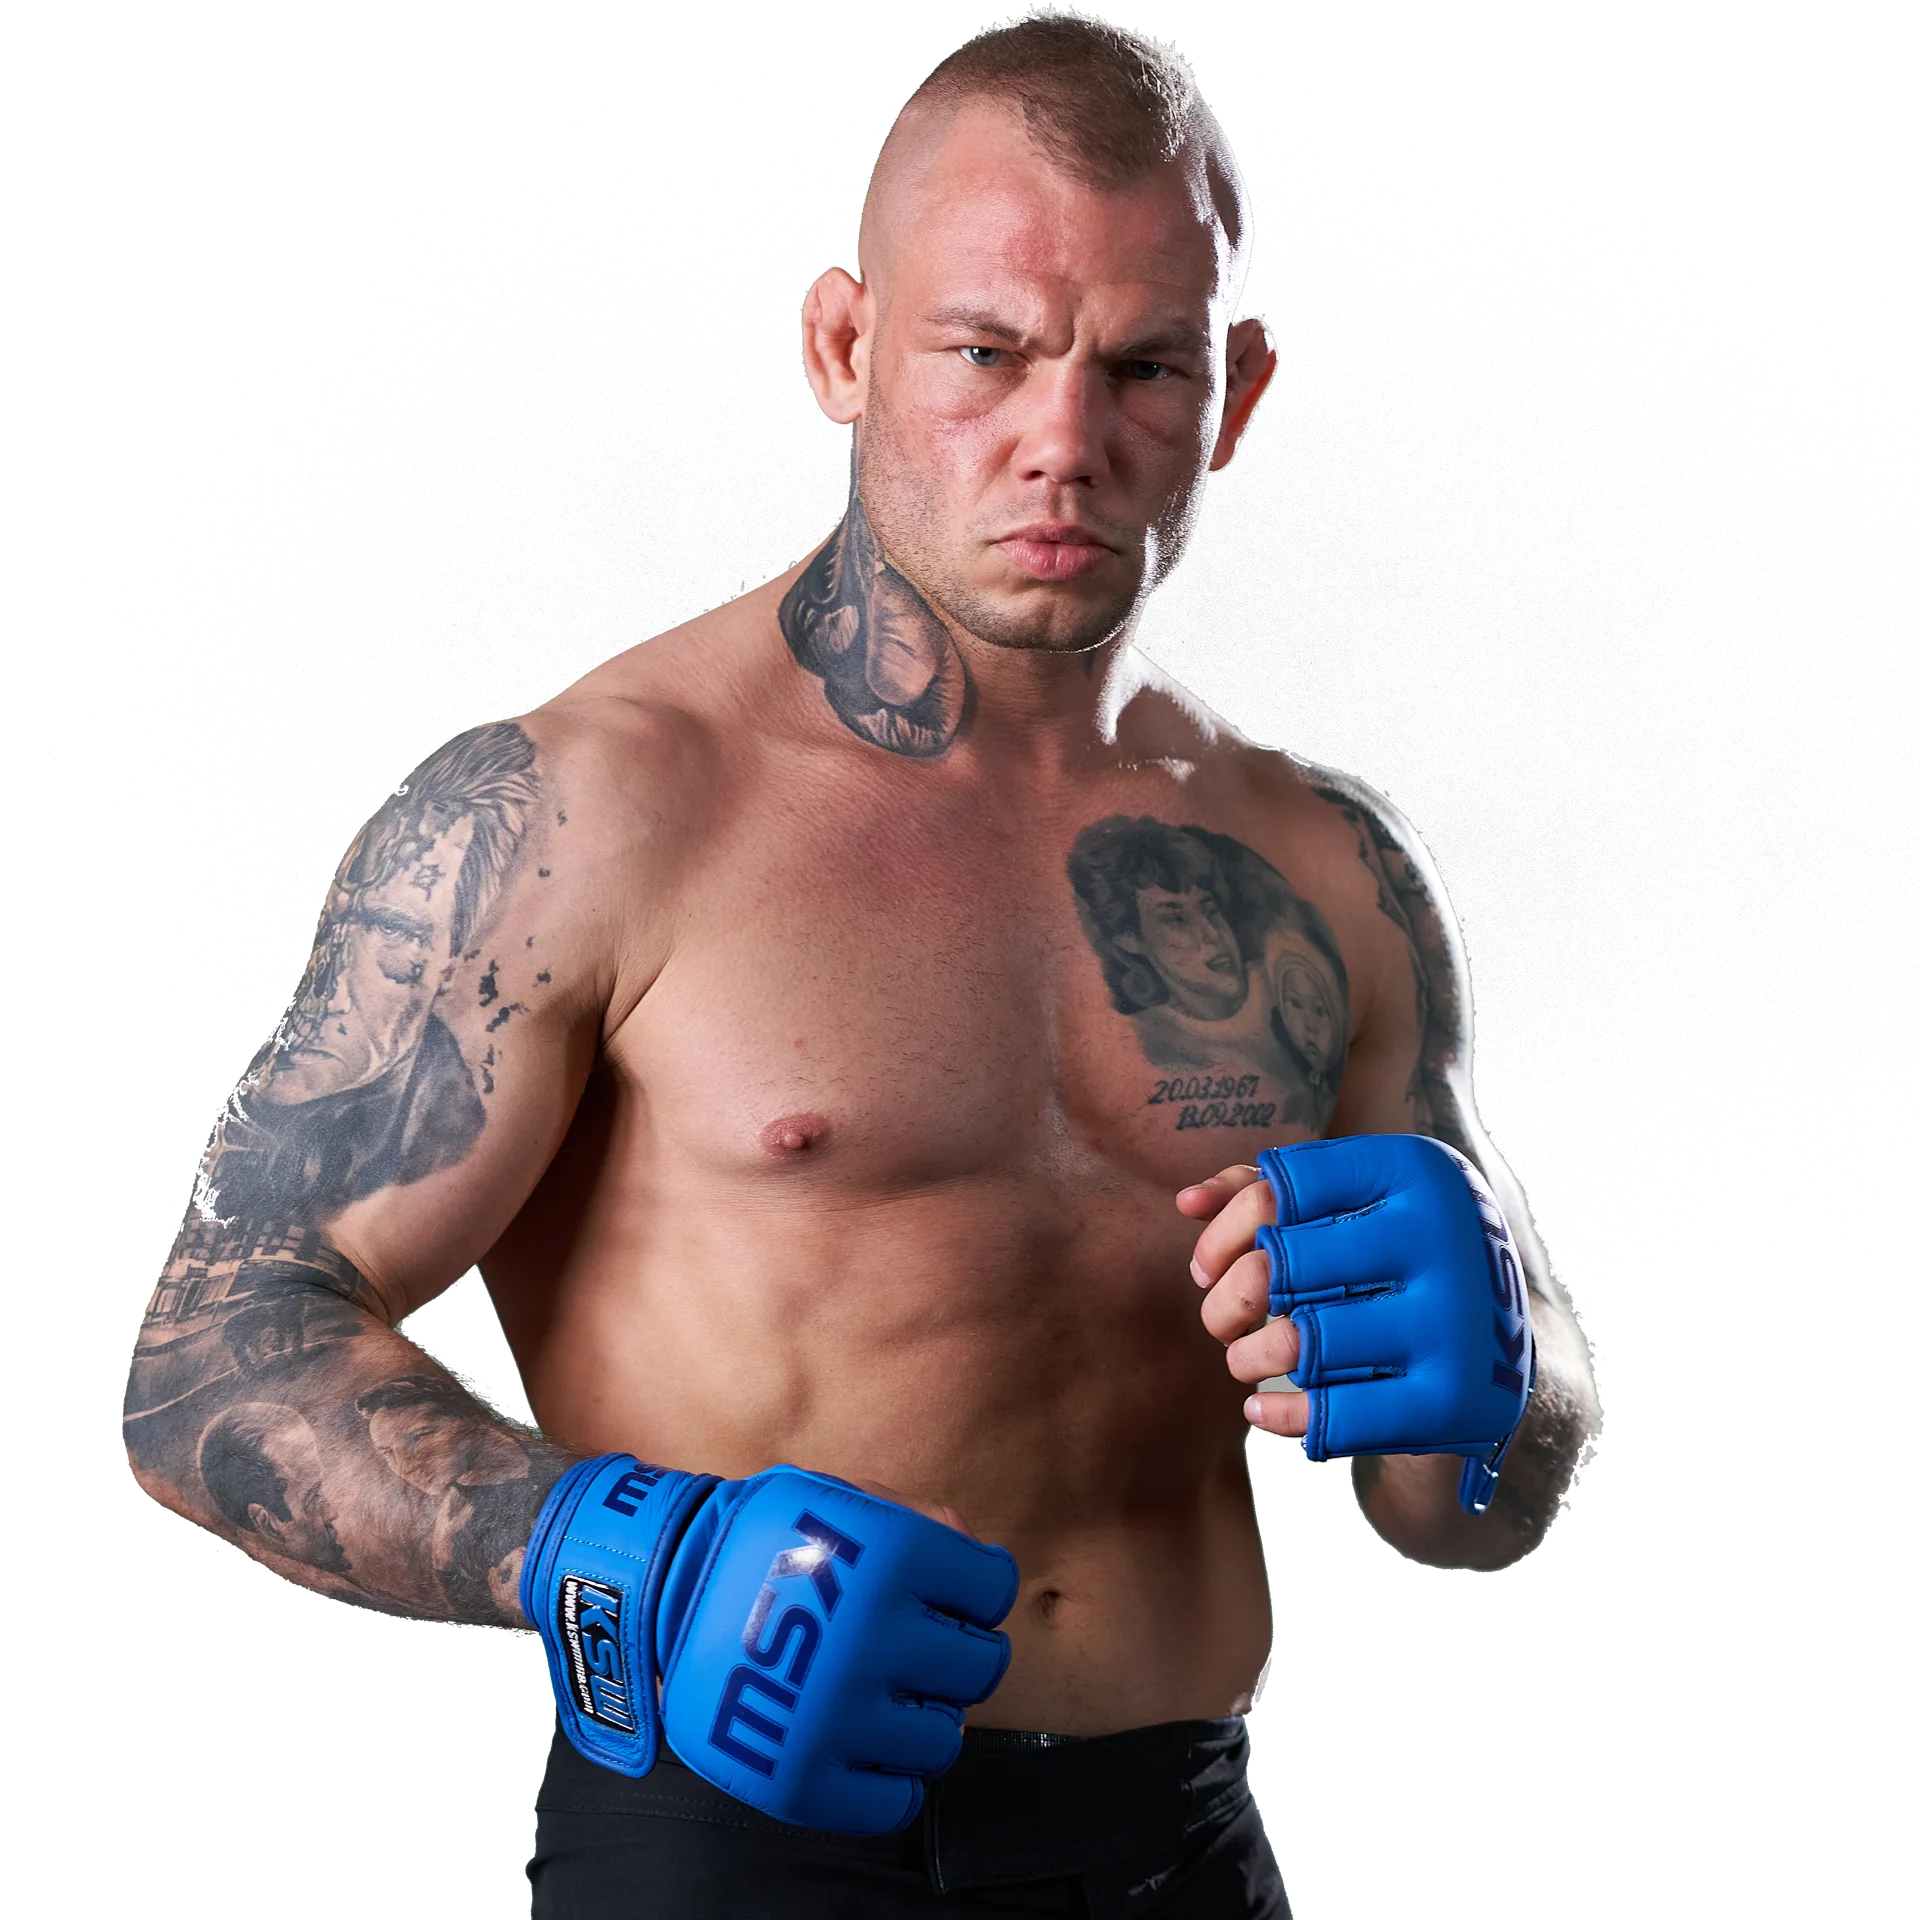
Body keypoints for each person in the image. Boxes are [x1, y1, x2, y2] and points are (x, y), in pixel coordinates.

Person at [121, 17, 1599, 1916]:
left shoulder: (1325, 867)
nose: (1063, 443)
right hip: (735, 1848)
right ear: (843, 347)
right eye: (984, 352)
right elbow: (204, 1362)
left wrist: (1505, 1387)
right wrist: (610, 1555)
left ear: (1232, 394)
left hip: (1180, 1841)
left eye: (1143, 367)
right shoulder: (587, 811)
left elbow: (1468, 1515)